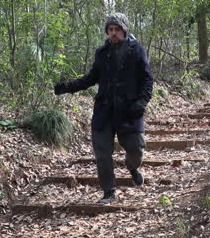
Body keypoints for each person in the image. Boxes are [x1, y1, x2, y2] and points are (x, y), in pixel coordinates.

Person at [54, 13, 154, 204]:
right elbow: (90, 79)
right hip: (104, 111)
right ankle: (109, 191)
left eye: (117, 29)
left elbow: (147, 79)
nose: (113, 33)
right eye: (110, 30)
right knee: (102, 153)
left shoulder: (137, 51)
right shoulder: (102, 53)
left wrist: (142, 102)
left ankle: (132, 168)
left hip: (130, 110)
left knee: (136, 149)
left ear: (124, 30)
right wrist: (67, 87)